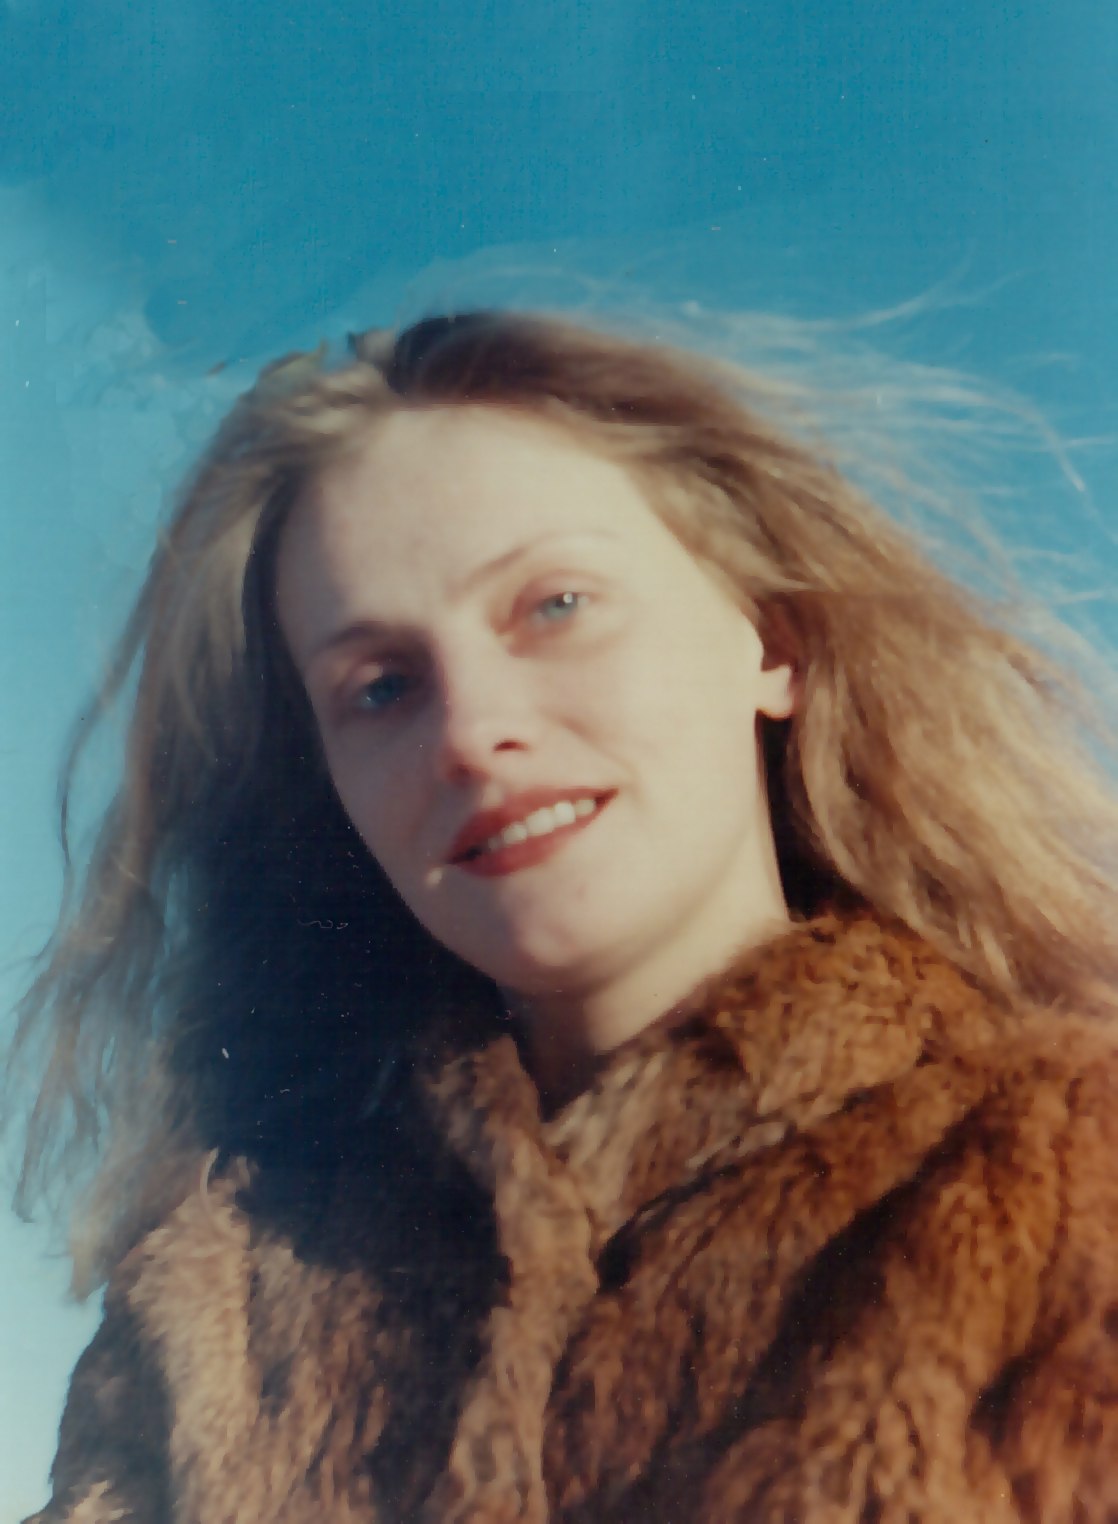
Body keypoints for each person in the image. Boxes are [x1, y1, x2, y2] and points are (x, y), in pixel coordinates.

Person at [10, 308, 1118, 1523]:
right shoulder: (209, 1317)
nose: (470, 730)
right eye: (380, 686)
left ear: (772, 640)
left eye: (554, 606)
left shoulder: (1075, 1172)